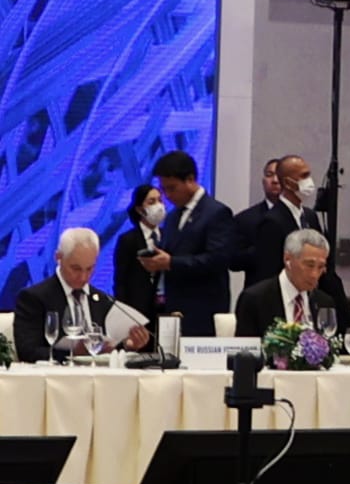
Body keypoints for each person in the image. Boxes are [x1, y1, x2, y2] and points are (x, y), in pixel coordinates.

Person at [141, 150, 243, 343]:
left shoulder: (217, 213)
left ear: (190, 179)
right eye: (164, 189)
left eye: (172, 188)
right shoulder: (172, 217)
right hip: (173, 308)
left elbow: (217, 260)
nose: (168, 195)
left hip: (203, 309)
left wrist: (171, 263)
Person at [12, 227, 149, 358]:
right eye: (76, 268)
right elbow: (28, 352)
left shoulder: (103, 300)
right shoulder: (34, 298)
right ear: (59, 258)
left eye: (89, 269)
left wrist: (128, 346)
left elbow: (105, 350)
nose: (83, 277)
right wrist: (72, 354)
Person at [231, 229, 346, 338]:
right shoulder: (254, 299)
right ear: (288, 260)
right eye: (309, 265)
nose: (314, 274)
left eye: (320, 267)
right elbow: (246, 354)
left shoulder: (324, 302)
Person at [239, 154, 313, 284]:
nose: (274, 181)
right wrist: (262, 247)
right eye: (269, 175)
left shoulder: (309, 216)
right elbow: (235, 261)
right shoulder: (249, 219)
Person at [112, 181, 169, 323]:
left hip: (165, 309)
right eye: (152, 201)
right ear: (139, 209)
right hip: (137, 310)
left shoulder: (169, 236)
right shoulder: (127, 240)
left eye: (160, 200)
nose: (158, 206)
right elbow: (121, 280)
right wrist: (124, 313)